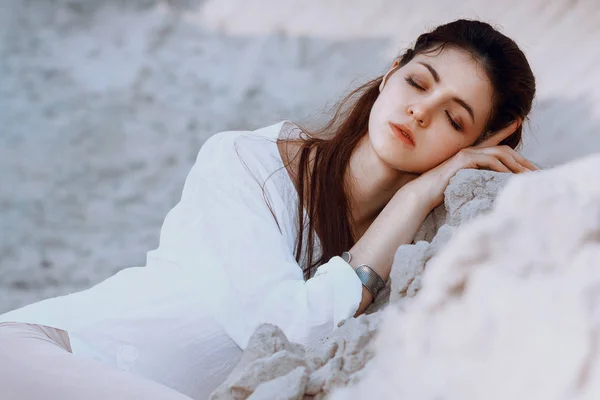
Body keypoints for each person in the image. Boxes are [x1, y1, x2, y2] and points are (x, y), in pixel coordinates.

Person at [0, 19, 537, 399]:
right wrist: (417, 193)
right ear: (391, 72)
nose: (420, 110)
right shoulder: (246, 162)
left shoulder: (416, 244)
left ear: (473, 144)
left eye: (454, 118)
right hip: (41, 354)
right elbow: (285, 330)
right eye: (418, 82)